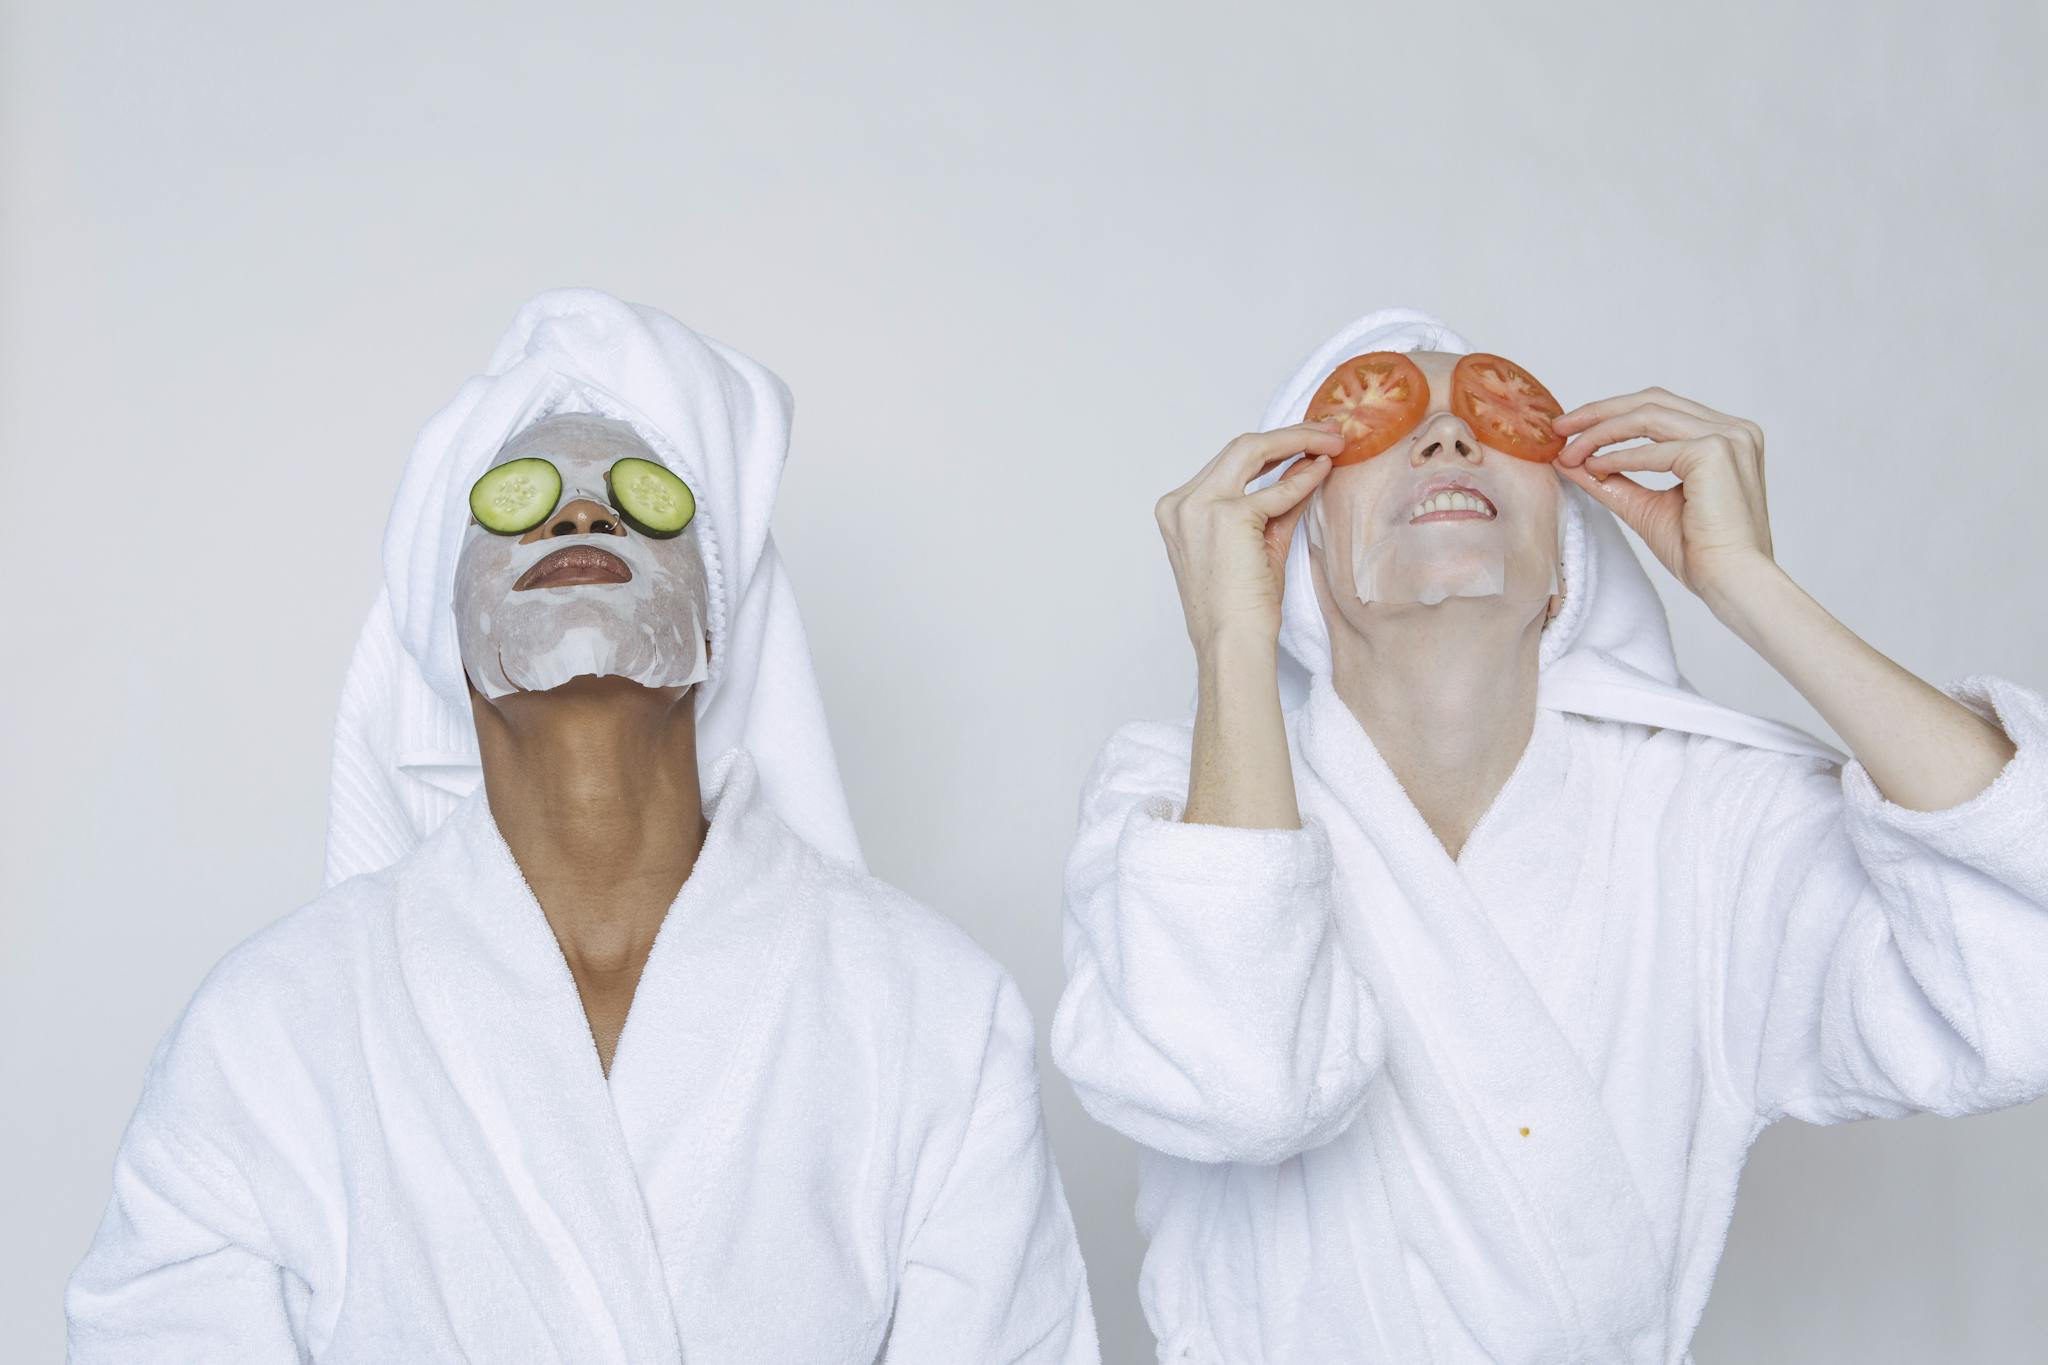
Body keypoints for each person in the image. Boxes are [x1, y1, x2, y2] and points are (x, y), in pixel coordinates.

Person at [67, 288, 1099, 1364]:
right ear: (444, 621)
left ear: (715, 621)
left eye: (637, 499)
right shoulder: (266, 1032)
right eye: (522, 503)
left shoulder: (932, 1012)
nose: (578, 516)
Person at [1050, 305, 2048, 1363]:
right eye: (1375, 420)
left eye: (1494, 413)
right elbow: (1241, 1092)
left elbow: (2015, 984)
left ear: (1566, 563)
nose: (1443, 438)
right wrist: (1229, 641)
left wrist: (1745, 583)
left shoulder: (1705, 822)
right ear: (1291, 552)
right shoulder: (1175, 801)